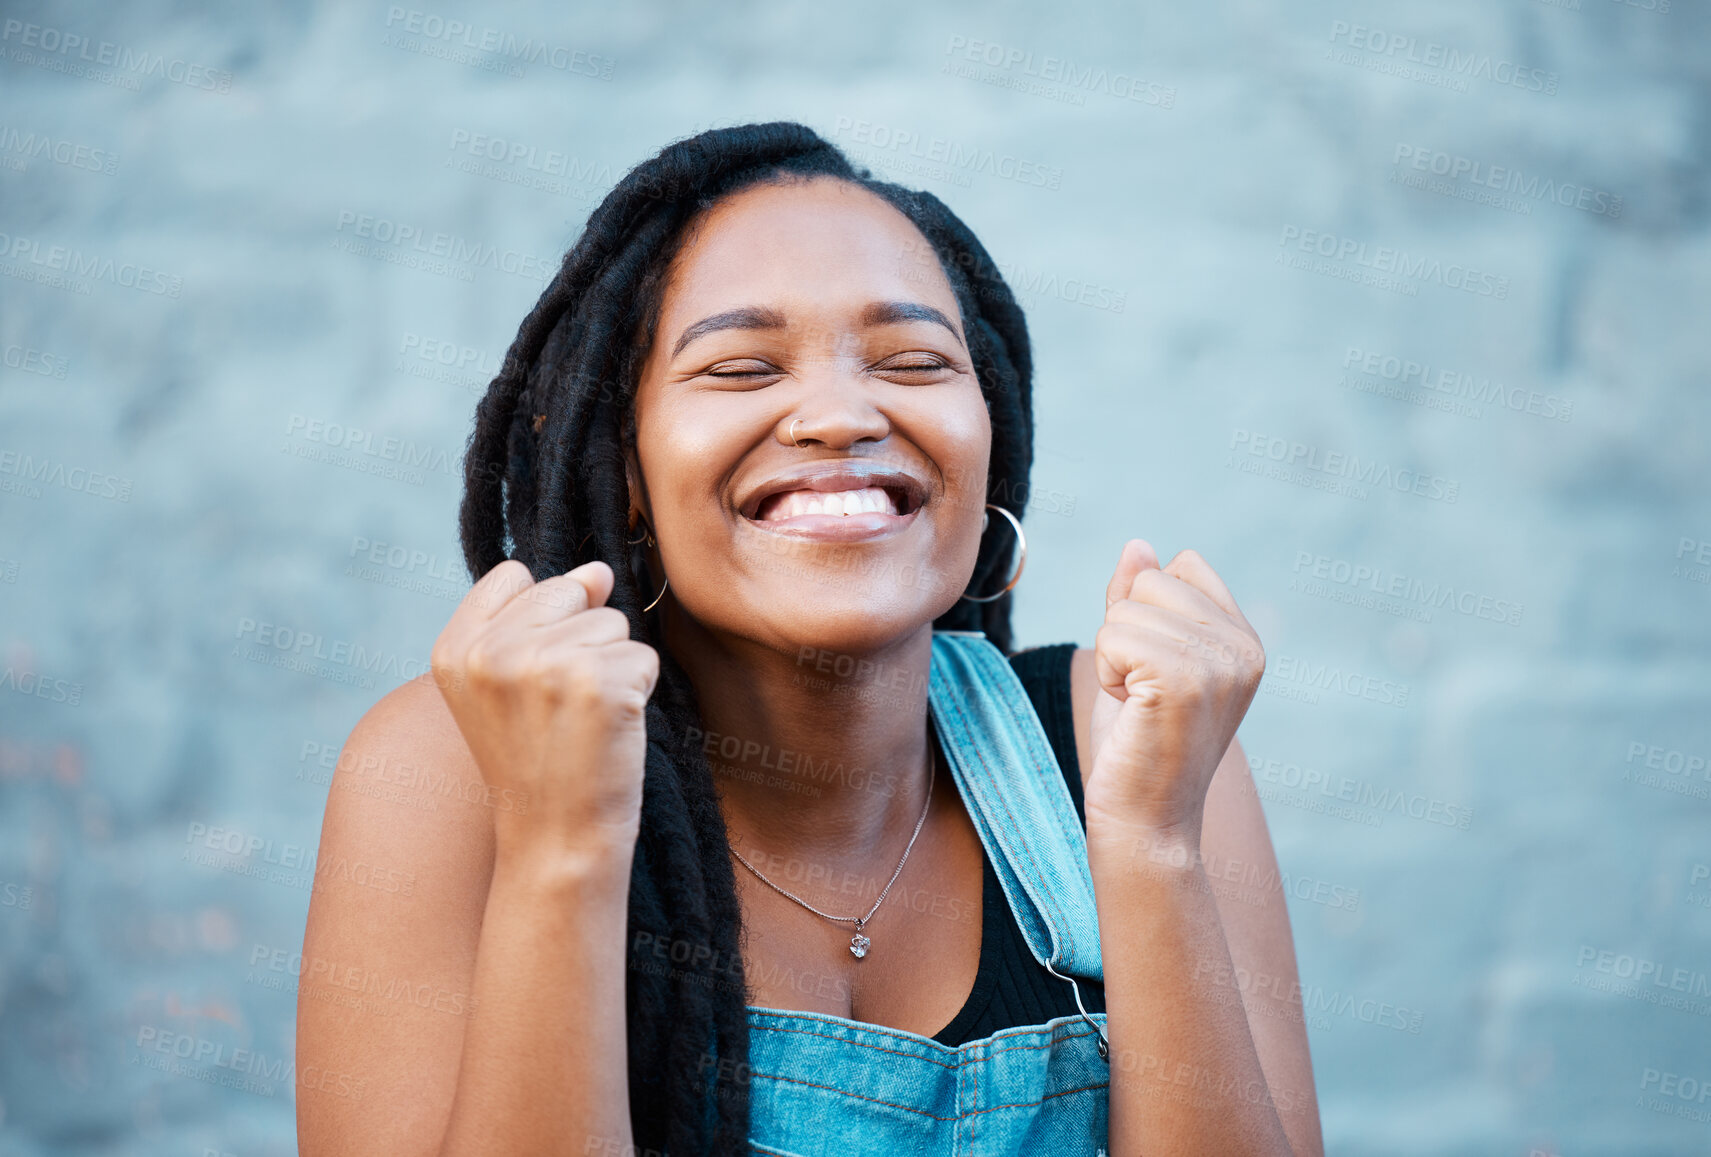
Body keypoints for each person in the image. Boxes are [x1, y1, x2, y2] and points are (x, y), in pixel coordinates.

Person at [295, 121, 1323, 1157]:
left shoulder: (1129, 740)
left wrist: (1150, 846)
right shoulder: (449, 769)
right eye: (740, 367)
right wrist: (560, 847)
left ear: (987, 444)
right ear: (626, 470)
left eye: (913, 359)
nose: (838, 414)